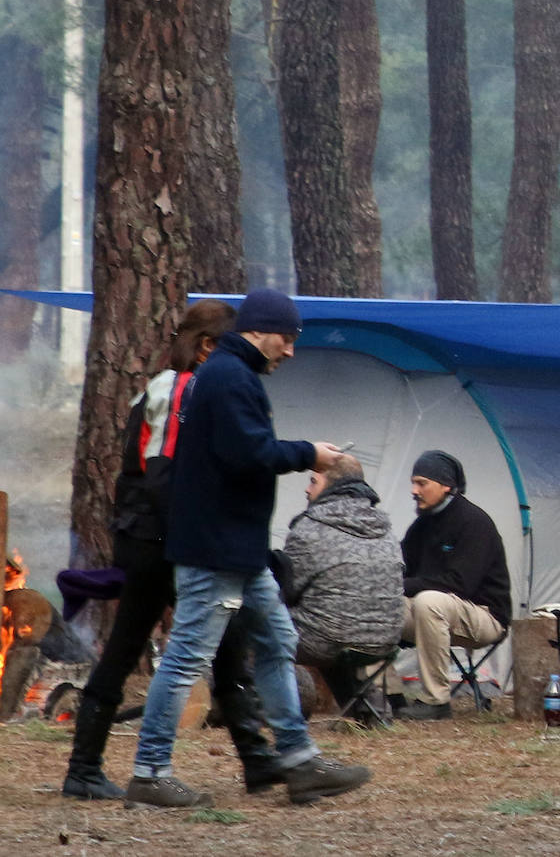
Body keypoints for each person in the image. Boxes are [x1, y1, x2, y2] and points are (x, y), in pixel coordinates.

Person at [124, 288, 370, 808]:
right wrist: (311, 454)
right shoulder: (230, 378)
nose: (291, 351)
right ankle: (148, 772)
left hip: (237, 548)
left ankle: (299, 761)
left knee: (279, 639)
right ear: (261, 331)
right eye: (288, 338)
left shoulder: (230, 375)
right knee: (187, 656)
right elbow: (247, 453)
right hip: (216, 549)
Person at [63, 301, 281, 800]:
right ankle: (85, 769)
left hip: (161, 534)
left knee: (224, 642)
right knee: (132, 645)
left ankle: (258, 760)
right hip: (160, 538)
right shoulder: (182, 387)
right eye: (229, 346)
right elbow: (163, 476)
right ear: (207, 346)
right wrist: (198, 534)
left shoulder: (177, 387)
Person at [274, 455, 404, 723]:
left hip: (328, 640)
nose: (307, 489)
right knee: (332, 623)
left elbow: (285, 592)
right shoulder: (386, 528)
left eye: (313, 481)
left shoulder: (310, 527)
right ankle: (371, 711)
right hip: (383, 641)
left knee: (259, 619)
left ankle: (254, 705)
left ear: (333, 484)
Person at [388, 450, 511, 721]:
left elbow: (459, 585)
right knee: (378, 605)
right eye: (413, 483)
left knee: (429, 600)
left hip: (485, 615)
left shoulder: (474, 522)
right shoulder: (422, 525)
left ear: (446, 486)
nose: (413, 490)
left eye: (421, 483)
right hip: (438, 610)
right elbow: (399, 566)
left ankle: (436, 701)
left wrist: (403, 586)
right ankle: (387, 695)